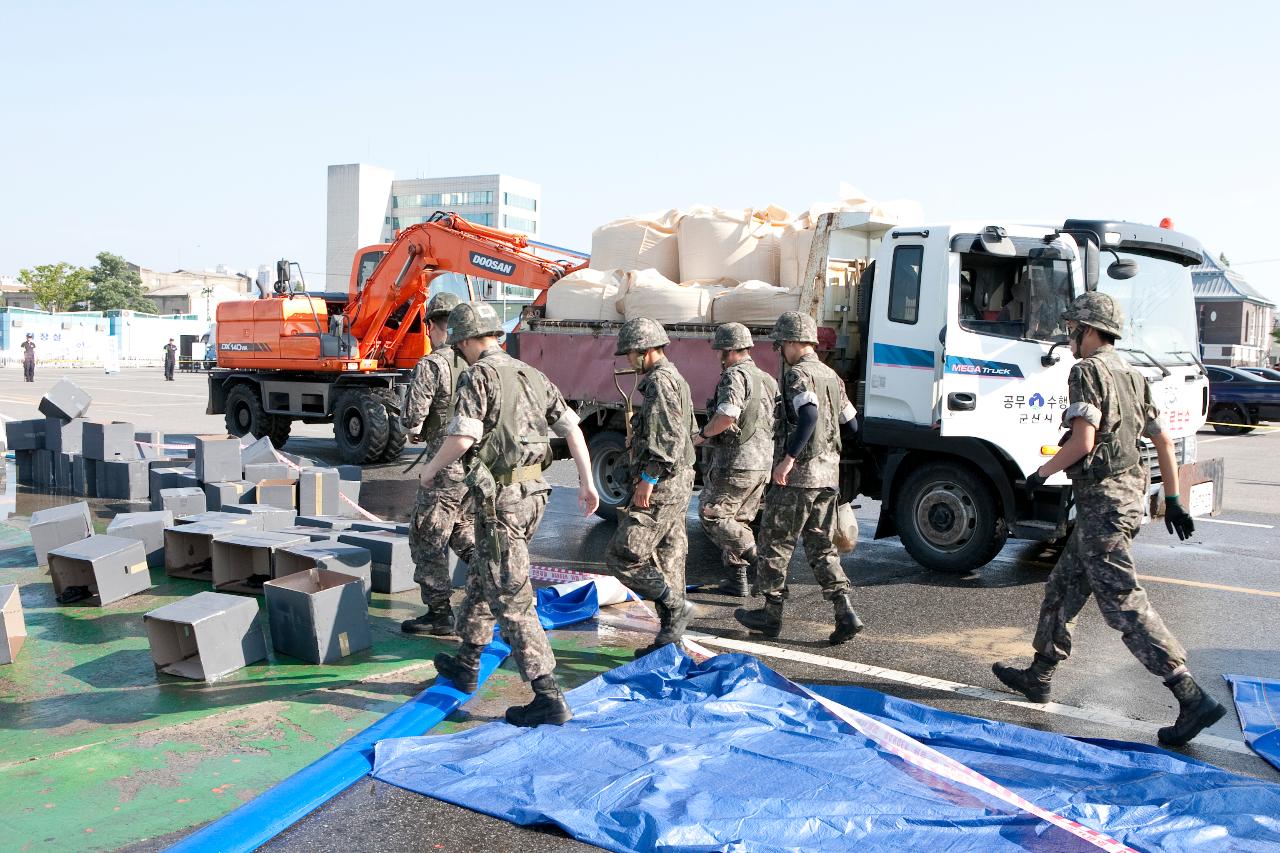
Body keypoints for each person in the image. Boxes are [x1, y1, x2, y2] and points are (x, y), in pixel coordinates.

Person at [994, 291, 1222, 747]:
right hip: (1126, 499)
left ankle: (1190, 695)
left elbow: (1082, 441)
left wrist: (1040, 474)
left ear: (1089, 330)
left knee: (1124, 603)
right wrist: (1172, 499)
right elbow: (1161, 441)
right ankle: (1039, 674)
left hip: (1103, 506)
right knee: (1063, 585)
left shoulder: (1088, 371)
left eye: (1073, 330)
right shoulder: (1133, 375)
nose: (1070, 338)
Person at [422, 301, 599, 726]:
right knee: (485, 574)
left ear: (464, 340)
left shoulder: (477, 375)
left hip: (502, 499)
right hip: (536, 493)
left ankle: (548, 695)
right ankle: (467, 661)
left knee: (513, 597)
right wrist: (587, 481)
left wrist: (430, 470)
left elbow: (464, 436)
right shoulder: (532, 375)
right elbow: (572, 427)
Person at [734, 311, 864, 645]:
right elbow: (852, 425)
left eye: (781, 344)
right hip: (827, 478)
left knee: (774, 543)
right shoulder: (833, 377)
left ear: (792, 342)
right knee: (821, 547)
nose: (780, 351)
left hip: (798, 479)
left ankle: (770, 615)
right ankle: (844, 610)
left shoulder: (798, 375)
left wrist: (788, 460)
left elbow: (808, 416)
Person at [606, 318, 698, 657]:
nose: (628, 361)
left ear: (644, 351)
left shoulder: (660, 383)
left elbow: (669, 438)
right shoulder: (676, 379)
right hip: (677, 480)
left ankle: (675, 606)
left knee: (622, 555)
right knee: (669, 557)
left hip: (662, 483)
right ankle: (669, 641)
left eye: (630, 354)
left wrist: (648, 479)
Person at [399, 292, 476, 637]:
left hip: (444, 467)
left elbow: (412, 417)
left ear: (431, 325)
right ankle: (498, 584)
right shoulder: (478, 362)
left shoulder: (433, 364)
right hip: (477, 467)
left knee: (426, 536)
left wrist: (416, 428)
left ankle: (439, 612)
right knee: (463, 531)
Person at [692, 322, 777, 597]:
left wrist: (702, 434)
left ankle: (762, 566)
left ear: (728, 351)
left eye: (721, 352)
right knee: (738, 520)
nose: (720, 357)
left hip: (736, 461)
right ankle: (736, 579)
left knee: (712, 514)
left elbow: (728, 415)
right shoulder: (767, 379)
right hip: (762, 462)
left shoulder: (734, 376)